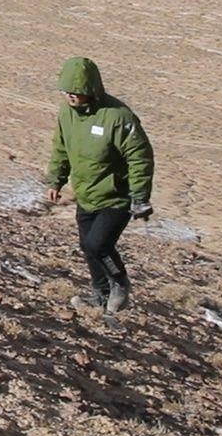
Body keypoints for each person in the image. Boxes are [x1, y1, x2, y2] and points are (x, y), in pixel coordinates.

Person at [43, 57, 155, 314]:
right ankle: (100, 295)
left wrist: (139, 195)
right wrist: (56, 179)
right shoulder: (66, 114)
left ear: (91, 89)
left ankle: (120, 284)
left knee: (98, 245)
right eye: (67, 91)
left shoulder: (117, 117)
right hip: (86, 193)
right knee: (88, 247)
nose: (71, 97)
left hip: (117, 196)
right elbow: (61, 148)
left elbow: (140, 157)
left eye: (77, 92)